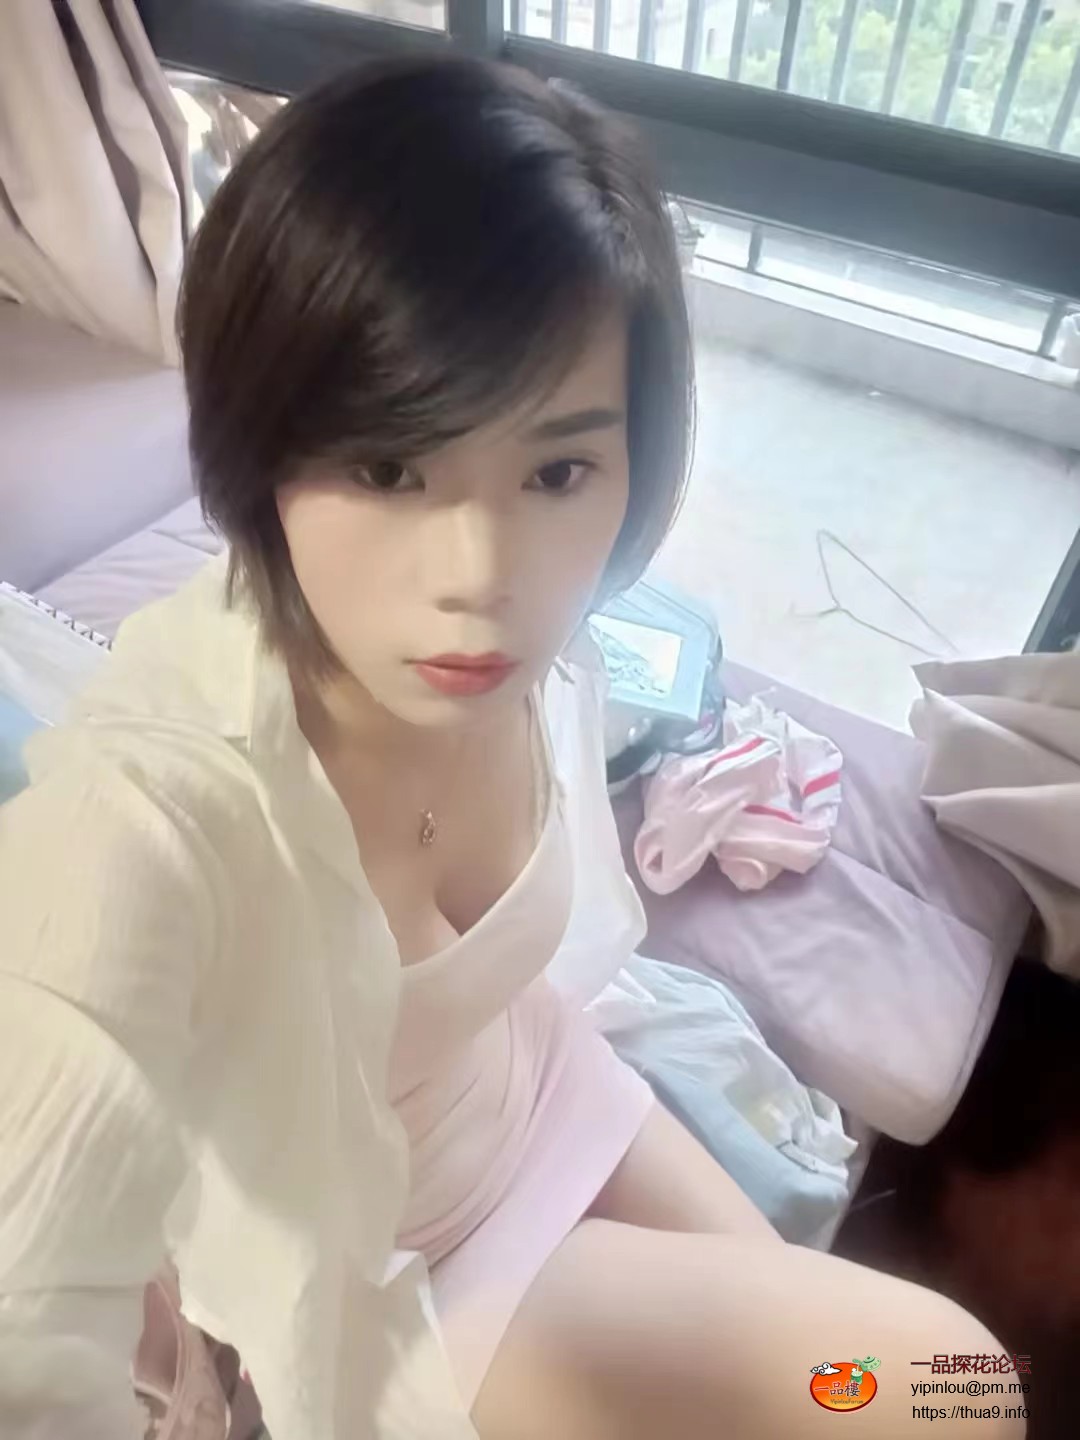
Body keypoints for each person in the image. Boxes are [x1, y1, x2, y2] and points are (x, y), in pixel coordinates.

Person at [0, 57, 1022, 1440]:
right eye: (389, 469)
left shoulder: (542, 661)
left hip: (538, 1090)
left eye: (556, 471)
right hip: (386, 1283)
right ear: (261, 447)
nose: (481, 579)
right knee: (949, 1390)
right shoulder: (157, 817)